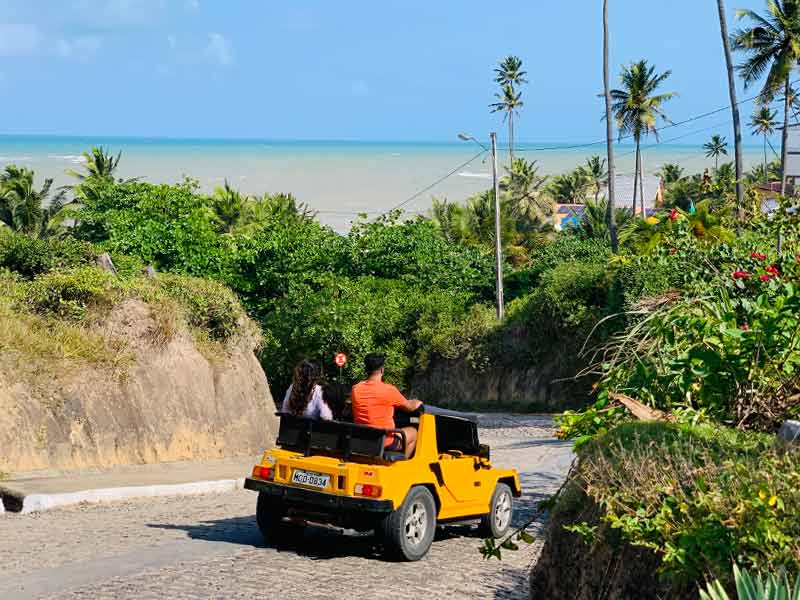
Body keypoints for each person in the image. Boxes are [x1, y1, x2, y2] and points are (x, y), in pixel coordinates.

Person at [351, 353, 421, 458]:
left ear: (366, 369)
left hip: (362, 440)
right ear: (382, 370)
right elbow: (410, 407)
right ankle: (401, 466)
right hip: (384, 442)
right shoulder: (389, 390)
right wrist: (417, 402)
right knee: (414, 432)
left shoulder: (355, 389)